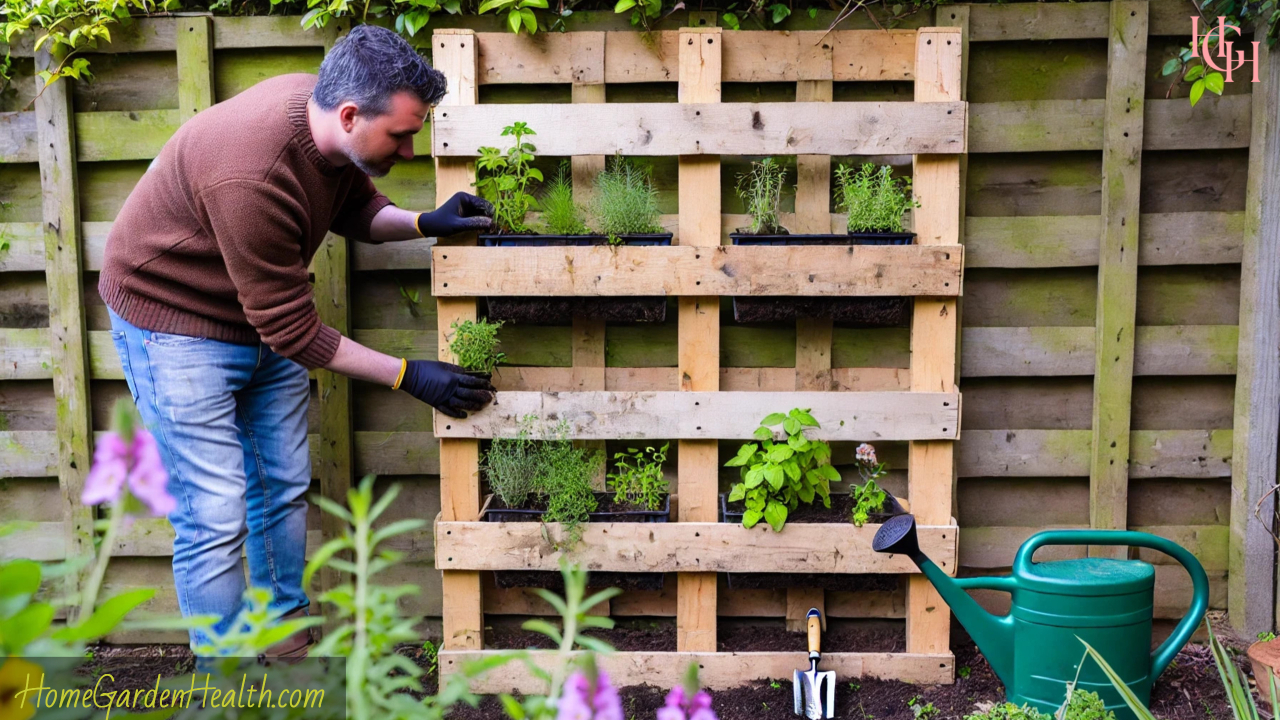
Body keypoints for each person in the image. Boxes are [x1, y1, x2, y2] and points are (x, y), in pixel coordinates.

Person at [98, 24, 493, 660]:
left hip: (257, 315)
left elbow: (356, 209)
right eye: (402, 134)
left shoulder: (323, 128)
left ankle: (283, 647)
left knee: (279, 486)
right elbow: (293, 330)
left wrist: (425, 222)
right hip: (173, 323)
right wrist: (407, 375)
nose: (410, 150)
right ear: (349, 114)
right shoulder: (250, 173)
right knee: (215, 511)